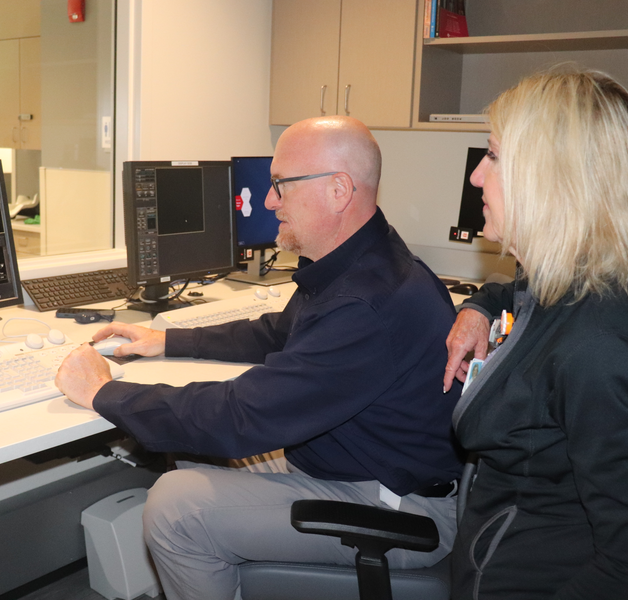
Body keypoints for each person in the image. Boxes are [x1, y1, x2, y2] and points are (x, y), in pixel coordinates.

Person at [56, 116, 463, 600]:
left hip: (395, 506)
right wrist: (169, 340)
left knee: (175, 508)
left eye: (281, 185)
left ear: (338, 190)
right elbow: (279, 333)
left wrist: (104, 392)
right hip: (353, 464)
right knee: (190, 452)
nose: (269, 201)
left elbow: (240, 416)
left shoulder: (365, 304)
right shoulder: (357, 261)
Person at [443, 68, 628, 600]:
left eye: (493, 156)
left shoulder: (601, 346)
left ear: (551, 179)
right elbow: (513, 292)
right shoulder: (564, 287)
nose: (476, 176)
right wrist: (478, 307)